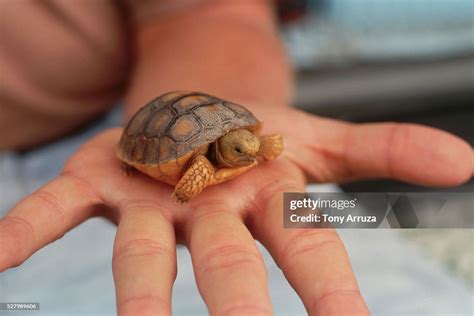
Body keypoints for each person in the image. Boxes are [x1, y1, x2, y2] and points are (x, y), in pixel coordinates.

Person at [0, 1, 472, 315]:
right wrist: (183, 185)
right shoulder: (204, 163)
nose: (250, 150)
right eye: (242, 147)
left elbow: (212, 11)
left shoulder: (245, 145)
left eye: (248, 145)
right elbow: (199, 166)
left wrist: (258, 145)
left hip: (93, 122)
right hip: (132, 137)